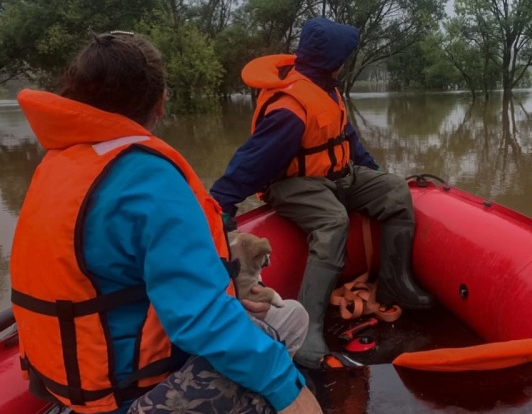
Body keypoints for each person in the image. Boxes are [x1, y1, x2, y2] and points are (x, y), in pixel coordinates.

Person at [9, 32, 322, 414]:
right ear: (160, 102)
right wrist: (290, 392)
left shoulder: (57, 164)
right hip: (127, 399)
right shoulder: (149, 180)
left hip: (72, 386)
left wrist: (232, 301)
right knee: (279, 335)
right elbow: (201, 319)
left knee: (275, 317)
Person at [210, 17, 434, 369]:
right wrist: (222, 202)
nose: (346, 61)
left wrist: (372, 172)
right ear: (332, 60)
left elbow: (347, 141)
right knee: (333, 221)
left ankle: (395, 284)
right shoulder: (291, 108)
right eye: (344, 55)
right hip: (293, 185)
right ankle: (309, 327)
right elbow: (252, 160)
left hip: (337, 176)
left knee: (392, 189)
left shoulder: (327, 88)